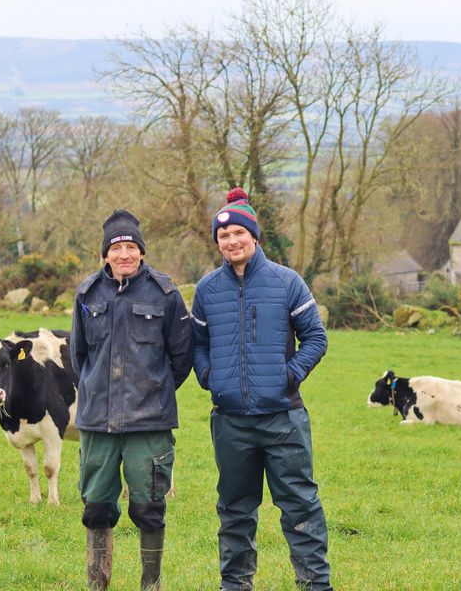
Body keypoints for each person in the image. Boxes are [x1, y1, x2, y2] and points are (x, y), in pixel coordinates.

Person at [191, 188, 333, 591]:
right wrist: (210, 378)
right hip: (231, 423)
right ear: (217, 242)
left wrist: (289, 376)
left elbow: (316, 339)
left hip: (283, 419)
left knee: (300, 507)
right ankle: (235, 585)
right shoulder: (206, 290)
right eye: (223, 236)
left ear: (254, 236)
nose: (231, 241)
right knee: (235, 512)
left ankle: (315, 585)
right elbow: (197, 344)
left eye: (239, 232)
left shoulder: (286, 282)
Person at [70, 209, 194, 591]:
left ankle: (150, 585)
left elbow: (182, 356)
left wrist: (152, 392)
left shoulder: (165, 292)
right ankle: (97, 585)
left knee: (150, 508)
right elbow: (78, 358)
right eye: (116, 247)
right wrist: (98, 394)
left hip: (149, 423)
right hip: (97, 422)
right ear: (106, 254)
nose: (124, 254)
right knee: (96, 508)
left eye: (131, 247)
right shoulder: (87, 294)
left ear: (141, 251)